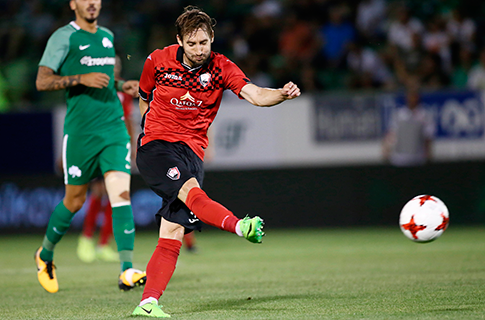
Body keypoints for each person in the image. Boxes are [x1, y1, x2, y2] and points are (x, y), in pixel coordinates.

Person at [131, 6, 301, 318]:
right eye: (192, 44)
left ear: (212, 39)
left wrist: (281, 93)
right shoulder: (158, 60)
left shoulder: (222, 67)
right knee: (193, 195)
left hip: (193, 153)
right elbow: (143, 95)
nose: (199, 50)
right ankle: (240, 226)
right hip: (158, 147)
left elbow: (254, 95)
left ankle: (147, 304)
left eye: (204, 43)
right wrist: (149, 131)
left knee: (172, 234)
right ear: (179, 40)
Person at [34, 0, 145, 294]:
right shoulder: (64, 37)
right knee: (74, 201)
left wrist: (122, 86)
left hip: (113, 128)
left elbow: (106, 82)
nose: (92, 3)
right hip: (81, 133)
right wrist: (80, 78)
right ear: (73, 4)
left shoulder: (107, 36)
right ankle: (44, 255)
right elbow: (42, 81)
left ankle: (126, 269)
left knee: (121, 194)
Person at [383, 85, 434, 166]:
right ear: (406, 97)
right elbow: (391, 134)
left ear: (418, 97)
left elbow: (428, 136)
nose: (412, 99)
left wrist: (428, 154)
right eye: (410, 96)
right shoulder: (399, 115)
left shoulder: (425, 115)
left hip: (418, 158)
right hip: (399, 158)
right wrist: (386, 149)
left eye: (414, 96)